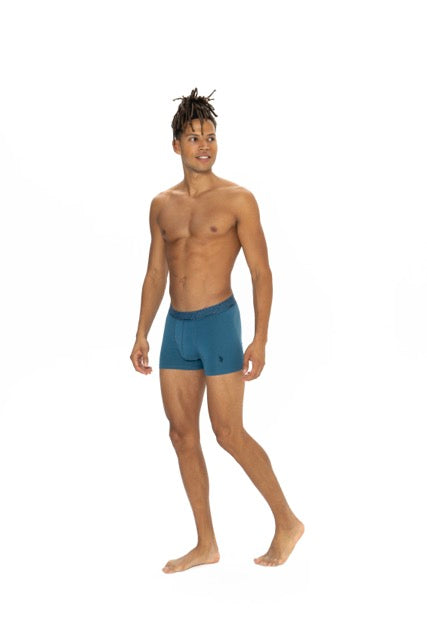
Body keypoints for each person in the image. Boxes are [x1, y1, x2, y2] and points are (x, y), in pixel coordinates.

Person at [130, 88, 304, 573]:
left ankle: (287, 521)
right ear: (176, 145)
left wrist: (260, 338)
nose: (204, 145)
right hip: (176, 328)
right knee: (181, 435)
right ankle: (206, 544)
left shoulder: (238, 199)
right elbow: (155, 273)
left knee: (228, 432)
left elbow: (261, 273)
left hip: (219, 324)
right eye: (193, 137)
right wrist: (142, 331)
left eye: (210, 136)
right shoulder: (161, 205)